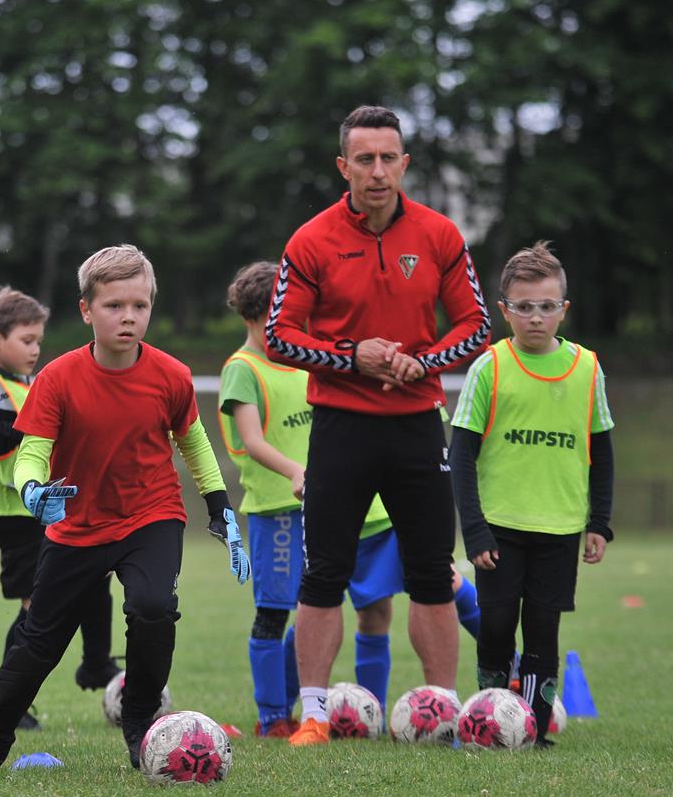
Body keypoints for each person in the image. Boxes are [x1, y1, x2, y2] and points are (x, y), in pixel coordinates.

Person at [0, 244, 250, 771]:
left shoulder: (171, 375)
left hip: (151, 515)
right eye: (114, 305)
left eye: (140, 305)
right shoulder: (57, 378)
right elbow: (32, 453)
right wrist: (32, 491)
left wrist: (220, 508)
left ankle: (140, 726)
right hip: (77, 526)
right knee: (39, 641)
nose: (128, 316)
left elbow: (194, 443)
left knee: (153, 607)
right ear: (86, 310)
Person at [264, 105, 492, 746]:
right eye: (364, 159)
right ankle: (314, 716)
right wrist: (351, 357)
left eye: (388, 157)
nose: (377, 170)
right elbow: (280, 335)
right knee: (323, 574)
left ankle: (443, 712)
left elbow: (476, 324)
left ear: (404, 163)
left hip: (417, 424)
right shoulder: (311, 240)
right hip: (340, 427)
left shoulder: (440, 234)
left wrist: (424, 362)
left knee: (431, 572)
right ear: (344, 166)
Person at [220, 261, 406, 735]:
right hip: (278, 511)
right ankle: (272, 718)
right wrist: (295, 471)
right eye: (279, 317)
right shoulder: (243, 369)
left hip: (326, 507)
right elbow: (251, 441)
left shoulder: (310, 361)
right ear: (254, 316)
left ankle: (369, 711)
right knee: (274, 612)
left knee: (329, 609)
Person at [449, 241, 613, 748]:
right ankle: (491, 721)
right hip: (499, 525)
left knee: (543, 628)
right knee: (497, 624)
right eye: (524, 306)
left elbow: (602, 451)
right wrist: (474, 529)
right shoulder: (490, 367)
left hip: (560, 526)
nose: (536, 317)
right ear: (505, 310)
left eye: (546, 305)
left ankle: (535, 731)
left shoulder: (586, 367)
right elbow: (461, 455)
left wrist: (599, 522)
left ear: (564, 308)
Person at [0, 286, 119, 732]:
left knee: (95, 575)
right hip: (13, 513)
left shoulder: (22, 382)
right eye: (26, 340)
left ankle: (96, 663)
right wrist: (27, 430)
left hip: (42, 509)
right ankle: (11, 703)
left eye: (38, 341)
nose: (35, 349)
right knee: (38, 605)